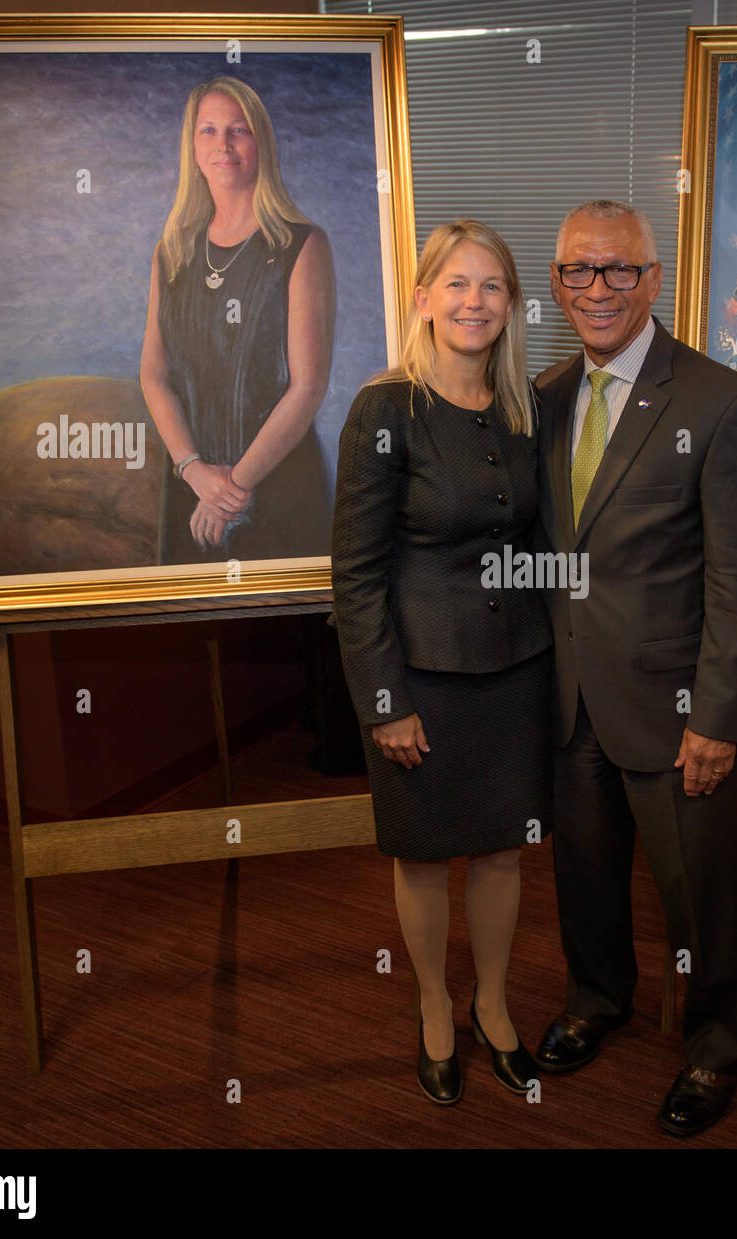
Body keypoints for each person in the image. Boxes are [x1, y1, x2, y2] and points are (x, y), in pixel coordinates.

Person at [533, 200, 737, 1137]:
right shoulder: (548, 397)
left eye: (617, 271)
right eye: (577, 272)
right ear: (557, 284)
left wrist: (718, 714)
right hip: (571, 701)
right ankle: (598, 998)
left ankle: (717, 1047)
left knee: (701, 896)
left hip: (680, 712)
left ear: (654, 278)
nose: (597, 290)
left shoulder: (722, 402)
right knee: (584, 877)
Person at [331, 220, 551, 1106]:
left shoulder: (525, 406)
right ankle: (433, 1004)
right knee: (423, 855)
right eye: (455, 284)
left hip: (516, 671)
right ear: (423, 298)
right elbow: (355, 573)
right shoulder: (384, 410)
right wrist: (384, 701)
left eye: (491, 285)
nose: (474, 301)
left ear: (510, 303)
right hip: (417, 680)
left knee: (502, 853)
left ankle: (493, 1005)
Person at [141, 75, 335, 564]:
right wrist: (195, 473)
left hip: (279, 489)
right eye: (208, 130)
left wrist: (235, 486)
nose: (222, 145)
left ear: (260, 143)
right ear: (192, 146)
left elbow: (307, 386)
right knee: (189, 640)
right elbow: (154, 375)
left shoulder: (301, 245)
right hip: (190, 490)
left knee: (285, 641)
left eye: (238, 129)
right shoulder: (173, 253)